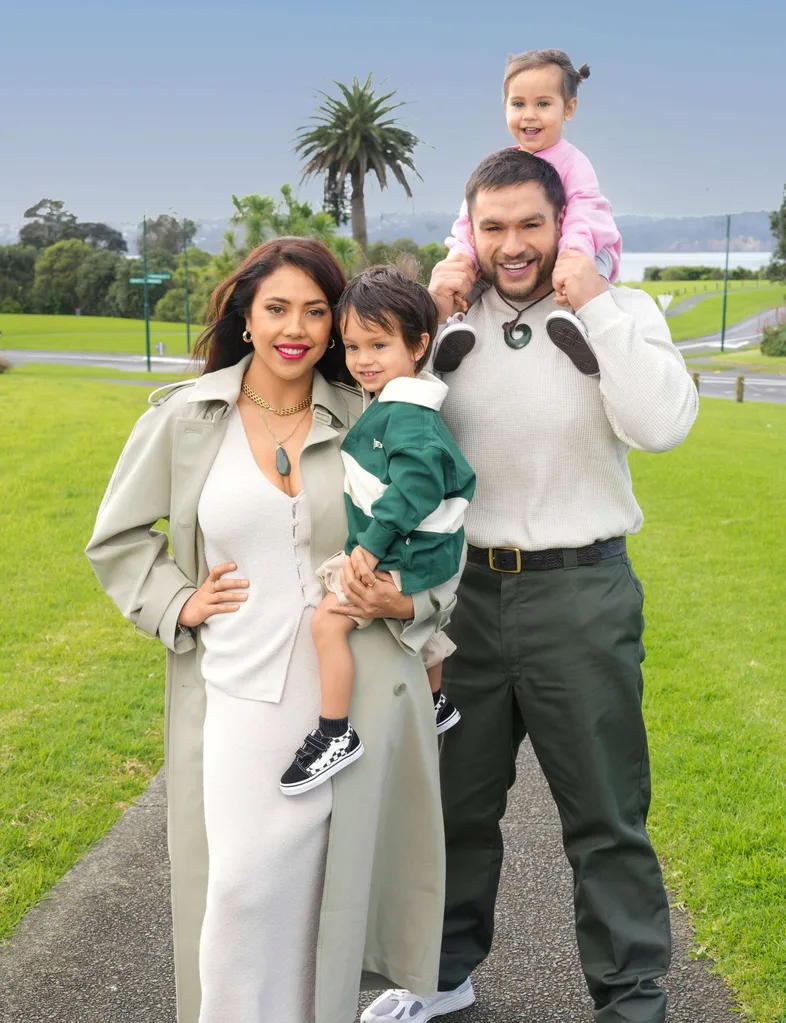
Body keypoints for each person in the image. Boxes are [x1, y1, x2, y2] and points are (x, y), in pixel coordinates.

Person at [361, 149, 699, 1023]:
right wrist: (429, 319)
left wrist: (592, 304)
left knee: (604, 815)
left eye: (530, 226)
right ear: (468, 232)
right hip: (461, 596)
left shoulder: (618, 310)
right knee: (455, 805)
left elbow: (661, 424)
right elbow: (382, 435)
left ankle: (630, 997)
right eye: (493, 227)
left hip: (579, 594)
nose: (513, 246)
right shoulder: (439, 321)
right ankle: (440, 973)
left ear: (564, 225)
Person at [86, 238, 456, 1023]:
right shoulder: (187, 419)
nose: (297, 327)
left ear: (335, 326)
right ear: (246, 318)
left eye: (317, 311)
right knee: (245, 886)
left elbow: (441, 532)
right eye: (278, 308)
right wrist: (177, 602)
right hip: (238, 694)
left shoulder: (371, 415)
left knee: (322, 905)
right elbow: (116, 539)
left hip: (346, 702)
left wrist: (408, 606)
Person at [280, 265, 475, 795]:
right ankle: (436, 702)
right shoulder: (395, 399)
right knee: (428, 635)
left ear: (418, 346)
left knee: (328, 625)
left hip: (405, 551)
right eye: (352, 346)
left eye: (378, 346)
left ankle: (334, 733)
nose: (363, 361)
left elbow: (413, 491)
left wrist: (368, 548)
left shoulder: (406, 415)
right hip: (427, 552)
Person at [436, 48, 622, 378]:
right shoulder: (498, 165)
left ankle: (580, 325)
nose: (529, 115)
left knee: (592, 271)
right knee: (472, 277)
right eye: (518, 104)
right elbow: (470, 220)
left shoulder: (573, 163)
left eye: (543, 104)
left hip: (584, 247)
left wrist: (573, 253)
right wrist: (463, 256)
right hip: (539, 256)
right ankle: (454, 328)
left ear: (569, 109)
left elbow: (584, 212)